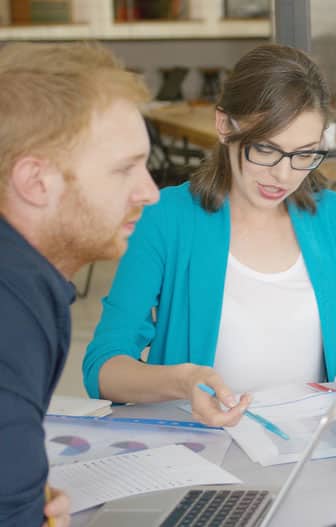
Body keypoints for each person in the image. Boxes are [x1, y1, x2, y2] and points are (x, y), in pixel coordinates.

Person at [83, 44, 336, 427]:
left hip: (308, 446)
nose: (284, 176)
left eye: (305, 154)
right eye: (266, 149)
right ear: (224, 125)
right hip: (206, 445)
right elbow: (103, 367)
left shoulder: (332, 216)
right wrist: (182, 382)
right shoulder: (167, 217)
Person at [0, 42, 160, 526]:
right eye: (124, 169)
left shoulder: (25, 281)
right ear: (36, 181)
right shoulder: (10, 313)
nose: (149, 192)